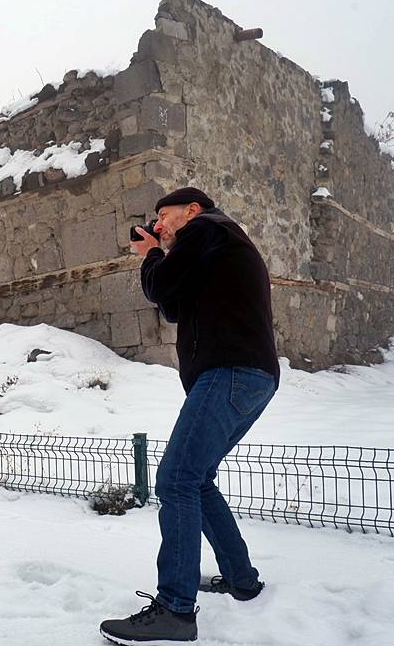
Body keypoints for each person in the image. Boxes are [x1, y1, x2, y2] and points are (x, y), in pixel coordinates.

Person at [100, 187, 280, 644]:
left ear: (192, 210)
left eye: (164, 215)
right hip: (248, 376)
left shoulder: (205, 229)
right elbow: (174, 307)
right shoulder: (214, 247)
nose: (159, 224)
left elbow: (159, 286)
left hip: (229, 371)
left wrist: (151, 255)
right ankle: (242, 580)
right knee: (196, 480)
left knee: (176, 479)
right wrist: (158, 254)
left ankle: (175, 611)